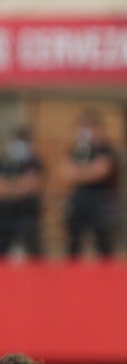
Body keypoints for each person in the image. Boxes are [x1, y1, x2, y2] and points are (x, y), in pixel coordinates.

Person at [62, 110, 119, 259]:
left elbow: (101, 171)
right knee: (73, 242)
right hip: (78, 201)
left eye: (89, 126)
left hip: (101, 201)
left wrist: (78, 172)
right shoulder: (76, 149)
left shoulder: (106, 149)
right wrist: (86, 172)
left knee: (103, 242)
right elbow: (65, 172)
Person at [0, 129, 45, 259]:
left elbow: (32, 186)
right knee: (0, 247)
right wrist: (20, 185)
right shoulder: (5, 163)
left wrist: (10, 186)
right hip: (6, 213)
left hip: (28, 213)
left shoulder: (34, 162)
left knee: (32, 246)